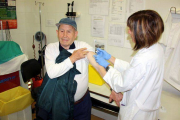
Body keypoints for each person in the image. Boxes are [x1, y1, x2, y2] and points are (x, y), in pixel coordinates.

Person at [36, 18, 122, 120]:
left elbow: (99, 67)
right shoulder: (51, 48)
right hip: (58, 104)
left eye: (69, 31)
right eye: (62, 31)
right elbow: (52, 73)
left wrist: (113, 88)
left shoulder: (83, 47)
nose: (64, 35)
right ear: (57, 32)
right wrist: (73, 58)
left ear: (75, 34)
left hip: (81, 104)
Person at [94, 10, 164, 120]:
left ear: (142, 32)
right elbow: (135, 71)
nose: (129, 32)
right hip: (148, 107)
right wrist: (110, 58)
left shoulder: (143, 58)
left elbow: (121, 83)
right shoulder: (156, 48)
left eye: (131, 29)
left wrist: (106, 66)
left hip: (137, 113)